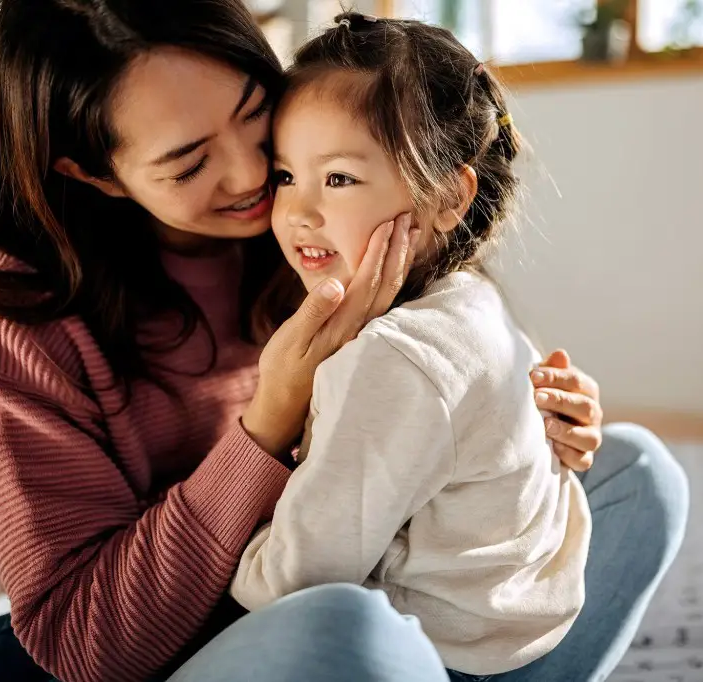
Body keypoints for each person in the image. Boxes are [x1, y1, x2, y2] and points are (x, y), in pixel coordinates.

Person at [0, 1, 688, 682]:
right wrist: (267, 425)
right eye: (189, 162)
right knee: (340, 629)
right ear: (89, 172)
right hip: (177, 630)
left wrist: (529, 425)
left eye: (257, 121)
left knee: (637, 471)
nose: (252, 182)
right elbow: (83, 645)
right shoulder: (20, 307)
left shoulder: (327, 218)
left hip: (336, 574)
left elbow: (448, 364)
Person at [228, 13, 590, 680]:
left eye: (338, 179)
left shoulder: (391, 358)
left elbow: (288, 587)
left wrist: (229, 553)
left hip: (439, 659)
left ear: (448, 196)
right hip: (522, 633)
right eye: (284, 176)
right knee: (646, 469)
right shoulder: (473, 296)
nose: (298, 211)